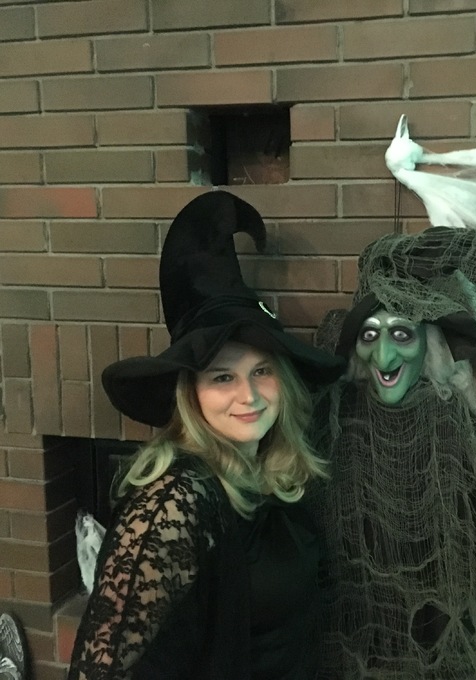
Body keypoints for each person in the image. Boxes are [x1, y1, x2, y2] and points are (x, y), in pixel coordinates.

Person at [68, 191, 345, 680]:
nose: (249, 396)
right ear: (190, 393)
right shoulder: (173, 502)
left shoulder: (268, 473)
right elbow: (100, 670)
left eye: (262, 371)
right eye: (222, 376)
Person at [313, 227, 476, 679]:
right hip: (356, 621)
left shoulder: (444, 422)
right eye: (370, 335)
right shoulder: (336, 421)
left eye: (401, 334)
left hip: (433, 623)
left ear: (428, 344)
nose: (384, 356)